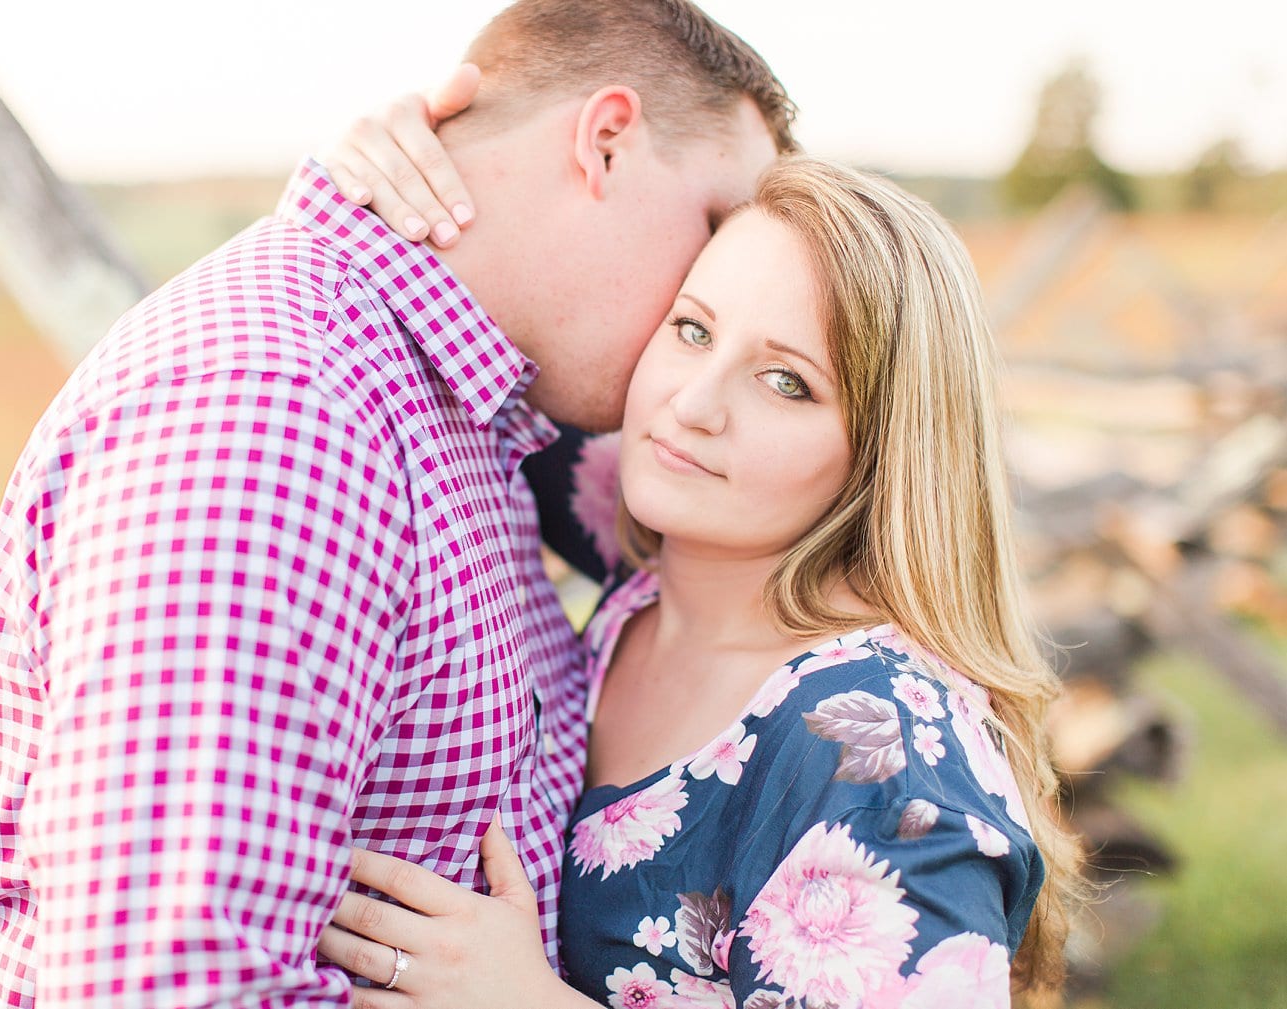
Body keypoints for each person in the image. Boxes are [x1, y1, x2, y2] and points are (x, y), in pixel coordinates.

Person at [0, 2, 793, 1007]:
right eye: (712, 230)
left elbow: (787, 503)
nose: (715, 287)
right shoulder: (277, 425)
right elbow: (162, 989)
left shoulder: (476, 400)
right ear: (605, 142)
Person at [308, 149, 1086, 1007]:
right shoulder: (658, 530)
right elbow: (483, 340)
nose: (693, 403)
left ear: (883, 452)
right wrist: (414, 157)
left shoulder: (878, 753)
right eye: (692, 328)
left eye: (786, 382)